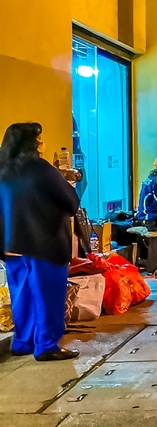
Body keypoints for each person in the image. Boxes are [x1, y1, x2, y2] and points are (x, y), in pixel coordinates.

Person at [0, 122, 81, 361]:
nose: (41, 145)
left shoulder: (2, 169)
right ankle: (46, 345)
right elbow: (70, 202)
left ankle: (22, 342)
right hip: (43, 243)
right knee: (48, 295)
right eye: (39, 141)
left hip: (11, 245)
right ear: (32, 144)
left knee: (21, 295)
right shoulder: (40, 169)